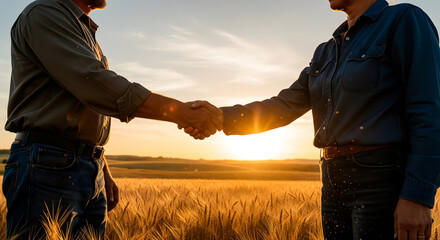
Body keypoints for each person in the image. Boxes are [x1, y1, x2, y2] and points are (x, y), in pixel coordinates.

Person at [182, 0, 440, 239]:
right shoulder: (326, 51)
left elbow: (429, 110)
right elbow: (283, 105)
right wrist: (220, 116)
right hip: (332, 182)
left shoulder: (404, 19)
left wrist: (418, 197)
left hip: (382, 181)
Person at [3, 0, 221, 238]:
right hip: (47, 165)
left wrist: (100, 166)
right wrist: (183, 112)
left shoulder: (82, 29)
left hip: (82, 167)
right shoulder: (44, 13)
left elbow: (85, 105)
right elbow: (95, 84)